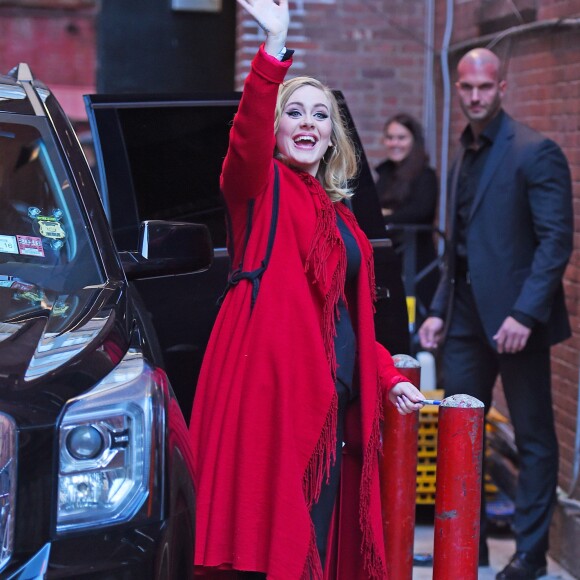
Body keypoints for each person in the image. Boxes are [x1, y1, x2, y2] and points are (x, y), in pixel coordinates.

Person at [188, 1, 426, 578]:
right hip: (272, 399)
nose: (307, 123)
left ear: (330, 138)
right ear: (278, 128)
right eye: (294, 113)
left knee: (314, 543)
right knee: (272, 549)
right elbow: (241, 150)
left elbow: (342, 320)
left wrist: (388, 377)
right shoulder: (262, 188)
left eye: (319, 116)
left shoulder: (343, 219)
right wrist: (273, 47)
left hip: (327, 408)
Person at [418, 47, 573, 580]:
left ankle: (529, 556)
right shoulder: (462, 154)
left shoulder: (535, 151)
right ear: (458, 89)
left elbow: (556, 242)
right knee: (460, 430)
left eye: (486, 87)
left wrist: (526, 315)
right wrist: (438, 310)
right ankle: (469, 545)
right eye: (467, 88)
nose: (476, 96)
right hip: (462, 319)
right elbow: (456, 248)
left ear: (502, 87)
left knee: (532, 436)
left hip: (516, 324)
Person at [375, 113, 439, 328]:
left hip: (416, 265)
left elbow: (420, 211)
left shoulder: (425, 175)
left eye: (401, 137)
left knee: (414, 325)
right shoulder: (384, 174)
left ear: (413, 141)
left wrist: (386, 215)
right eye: (390, 137)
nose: (394, 143)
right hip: (390, 261)